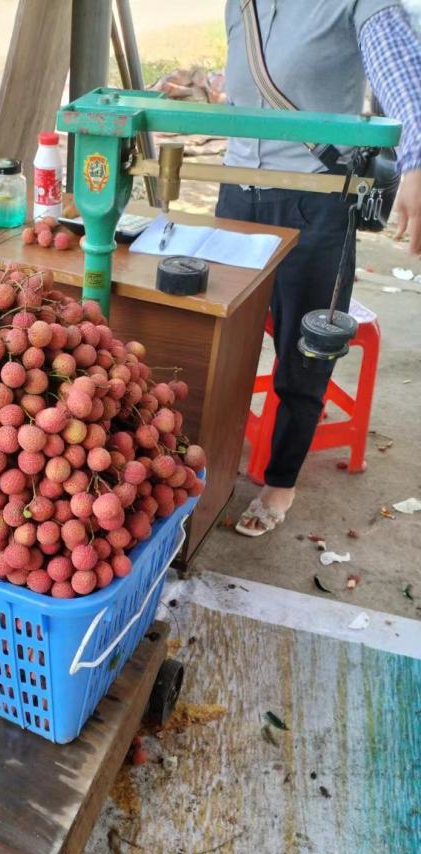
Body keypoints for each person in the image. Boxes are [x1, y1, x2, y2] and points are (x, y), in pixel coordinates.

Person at [218, 0, 421, 536]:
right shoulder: (242, 6)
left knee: (303, 355)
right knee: (218, 342)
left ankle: (279, 484)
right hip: (237, 197)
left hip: (315, 202)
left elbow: (402, 70)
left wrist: (418, 161)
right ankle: (209, 468)